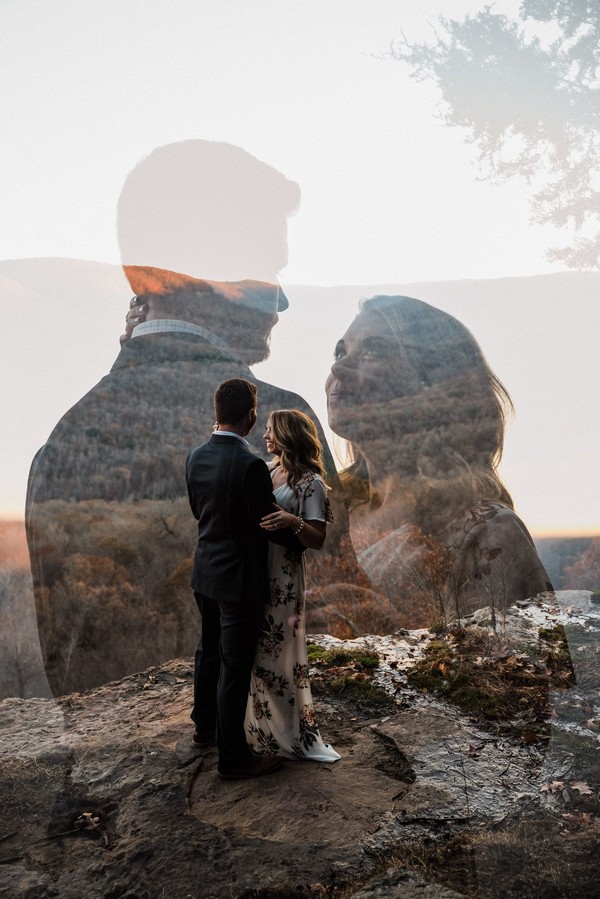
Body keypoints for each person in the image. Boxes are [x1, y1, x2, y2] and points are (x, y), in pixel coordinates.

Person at [25, 140, 360, 695]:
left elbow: (70, 668)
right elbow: (343, 624)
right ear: (211, 273)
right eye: (266, 273)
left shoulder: (60, 445)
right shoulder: (278, 419)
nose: (281, 301)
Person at [326, 295, 553, 629]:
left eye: (373, 351)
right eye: (340, 351)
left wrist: (382, 628)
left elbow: (519, 676)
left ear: (434, 384)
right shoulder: (323, 514)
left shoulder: (486, 531)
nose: (337, 367)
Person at [186, 379, 303, 779]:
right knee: (235, 665)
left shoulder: (195, 457)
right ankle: (234, 758)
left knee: (208, 650)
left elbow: (198, 510)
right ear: (250, 416)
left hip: (205, 572)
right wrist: (301, 535)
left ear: (217, 413)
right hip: (238, 580)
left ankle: (204, 729)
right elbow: (270, 525)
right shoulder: (250, 465)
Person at [245, 410, 340, 761]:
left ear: (287, 434)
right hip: (257, 570)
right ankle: (260, 728)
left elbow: (317, 538)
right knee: (256, 653)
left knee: (280, 654)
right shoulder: (268, 470)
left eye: (271, 431)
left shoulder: (310, 483)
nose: (265, 436)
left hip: (283, 576)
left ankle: (289, 732)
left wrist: (292, 519)